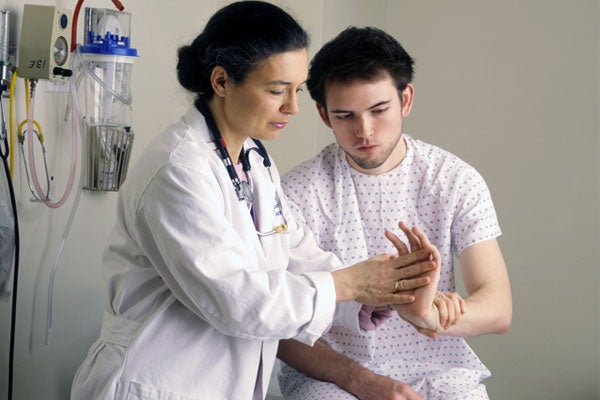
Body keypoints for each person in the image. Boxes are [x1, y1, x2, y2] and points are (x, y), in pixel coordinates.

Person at [70, 5, 441, 400]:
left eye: (297, 90)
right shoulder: (177, 171)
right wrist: (350, 284)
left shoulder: (253, 161)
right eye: (277, 90)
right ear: (222, 81)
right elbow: (238, 301)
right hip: (155, 384)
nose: (292, 107)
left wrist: (379, 293)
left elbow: (296, 254)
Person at [277, 26, 513, 400]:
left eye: (379, 110)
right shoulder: (294, 192)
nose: (365, 131)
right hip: (331, 376)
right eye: (345, 115)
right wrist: (358, 380)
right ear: (323, 115)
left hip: (440, 370)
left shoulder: (455, 180)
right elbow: (278, 322)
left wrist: (430, 315)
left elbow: (498, 308)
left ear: (406, 100)